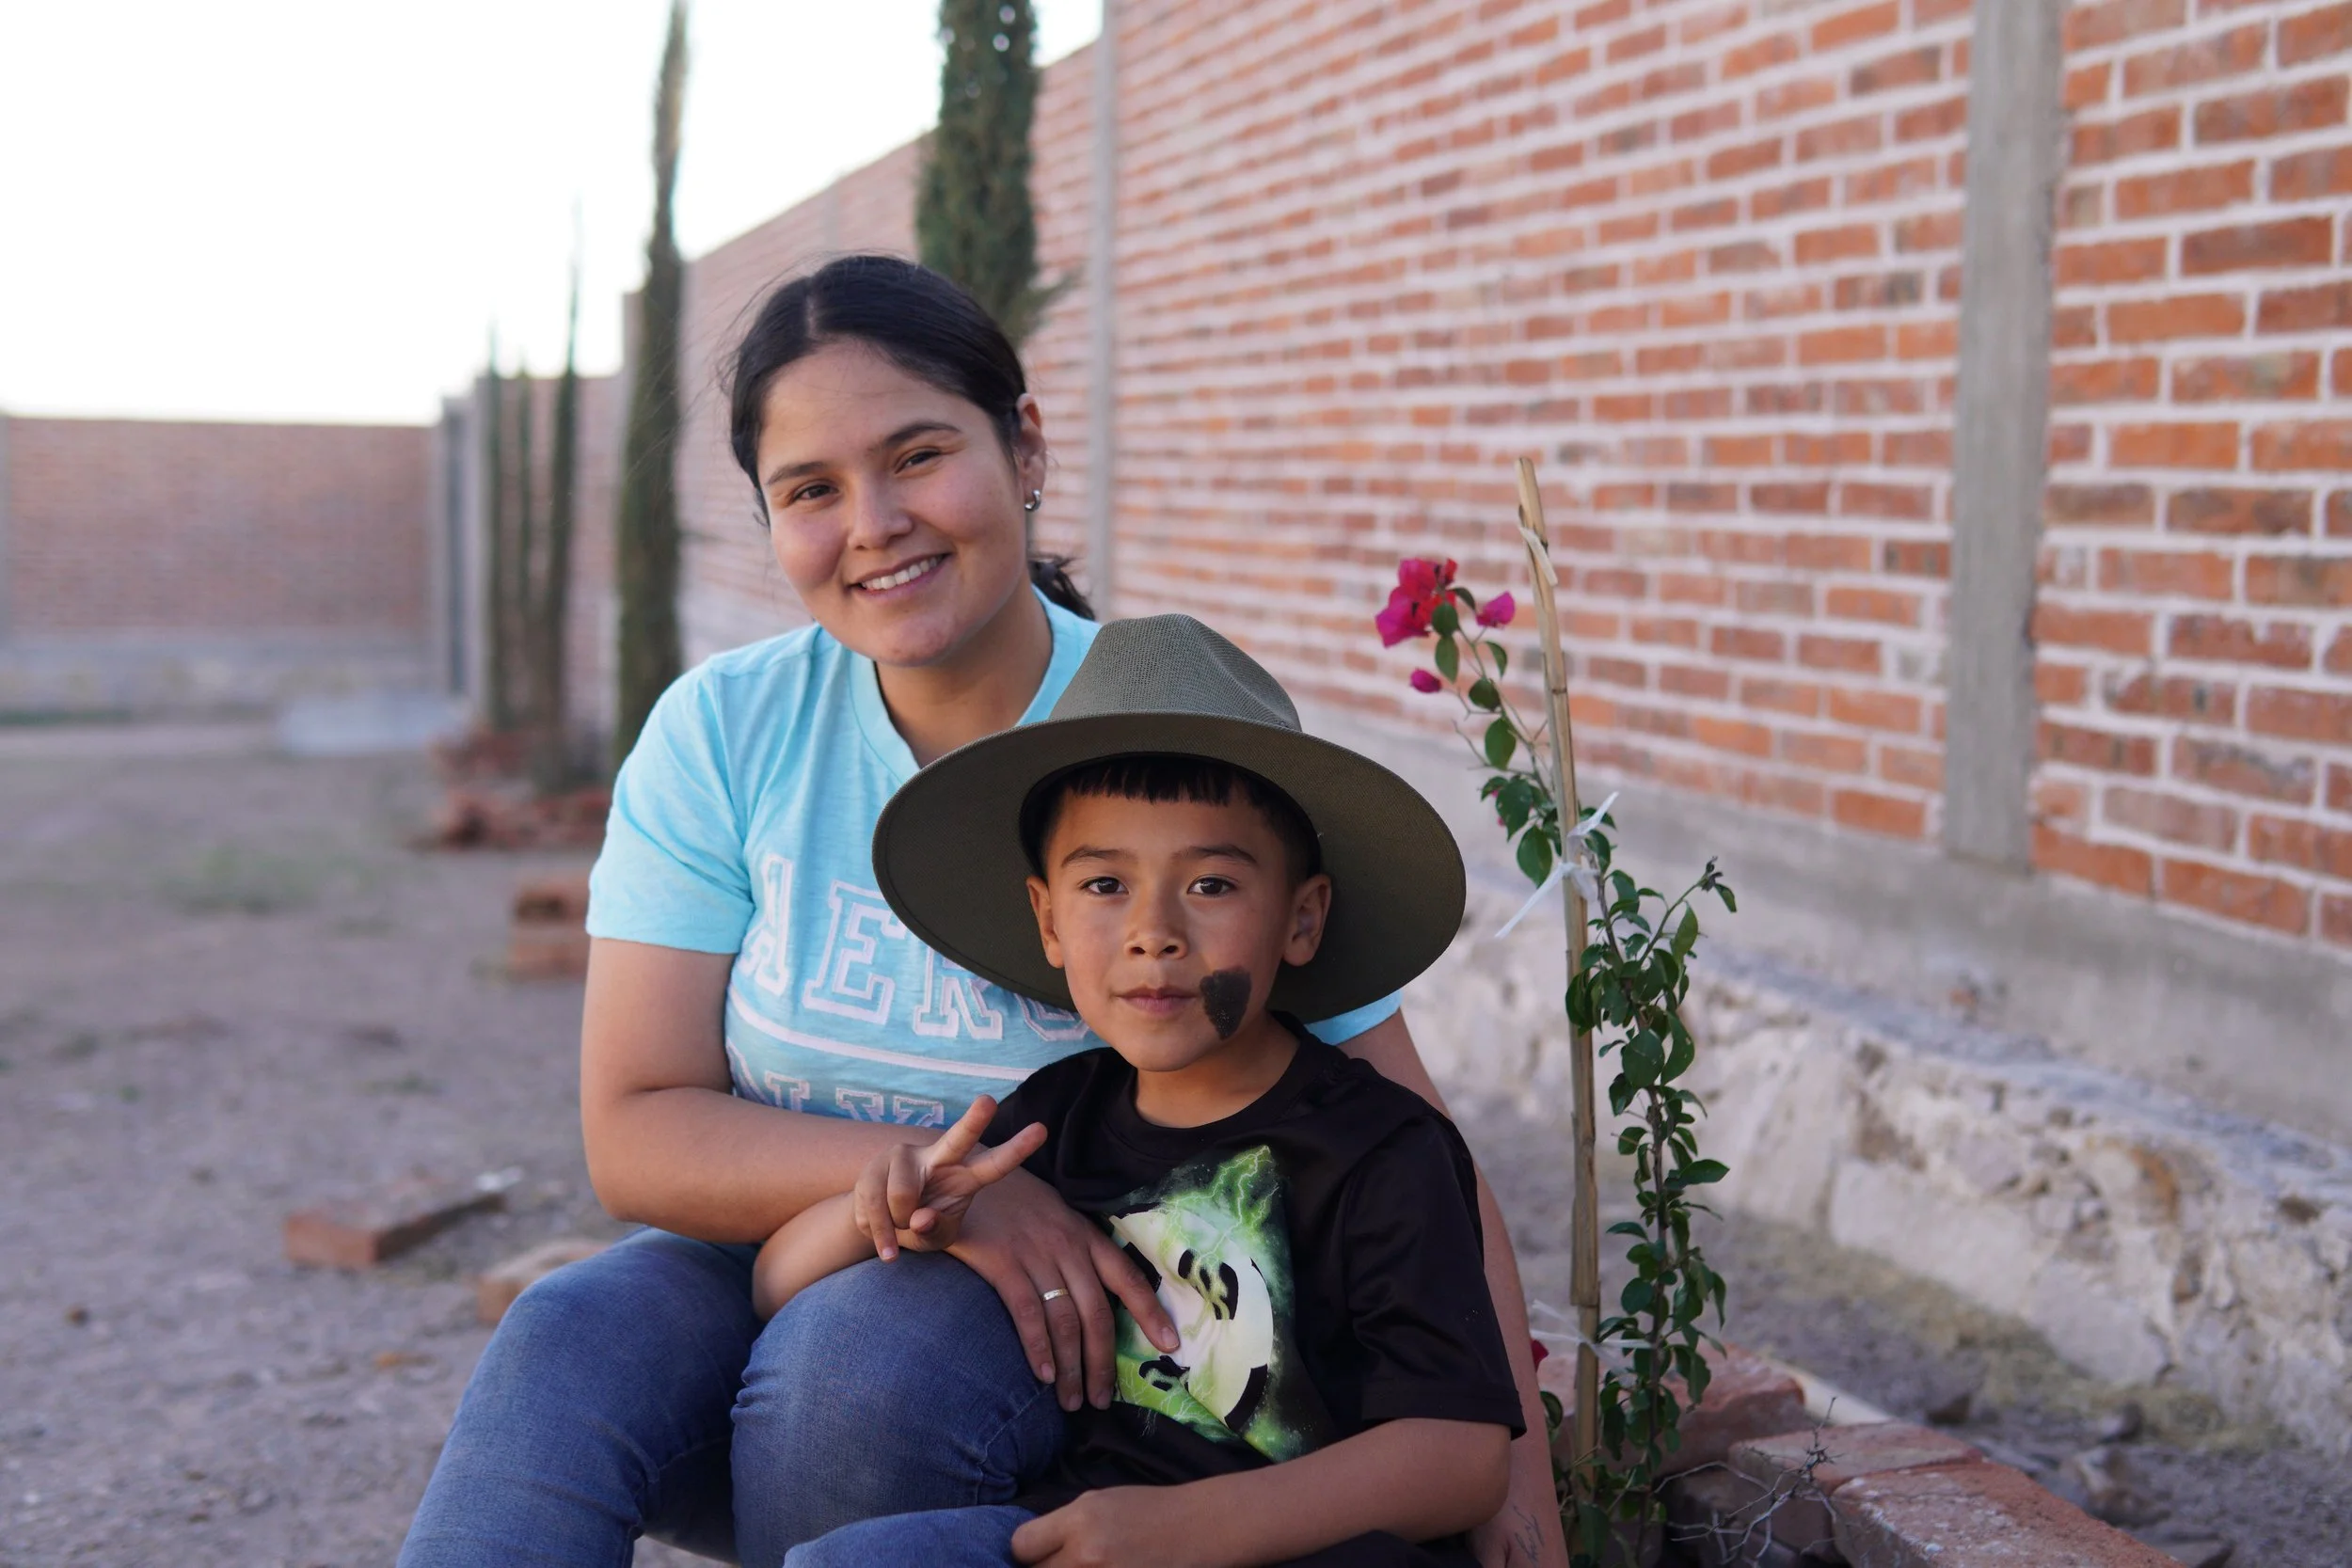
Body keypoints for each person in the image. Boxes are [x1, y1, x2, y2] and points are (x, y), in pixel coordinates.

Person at [397, 254, 1565, 1568]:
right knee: (570, 1326)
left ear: (1023, 448)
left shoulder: (1161, 741)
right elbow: (636, 1128)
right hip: (785, 1238)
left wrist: (1517, 1488)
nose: (874, 521)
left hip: (1094, 1291)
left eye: (917, 454)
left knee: (857, 1354)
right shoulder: (726, 729)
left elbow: (1414, 1138)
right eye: (810, 489)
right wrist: (944, 1186)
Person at [756, 612, 1523, 1568]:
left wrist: (1189, 1528)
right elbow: (776, 1285)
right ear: (1045, 916)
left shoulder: (1379, 1150)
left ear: (1302, 916)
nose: (1152, 931)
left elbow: (1459, 1455)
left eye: (1208, 885)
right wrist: (890, 1208)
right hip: (1085, 1534)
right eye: (1104, 884)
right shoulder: (1051, 1121)